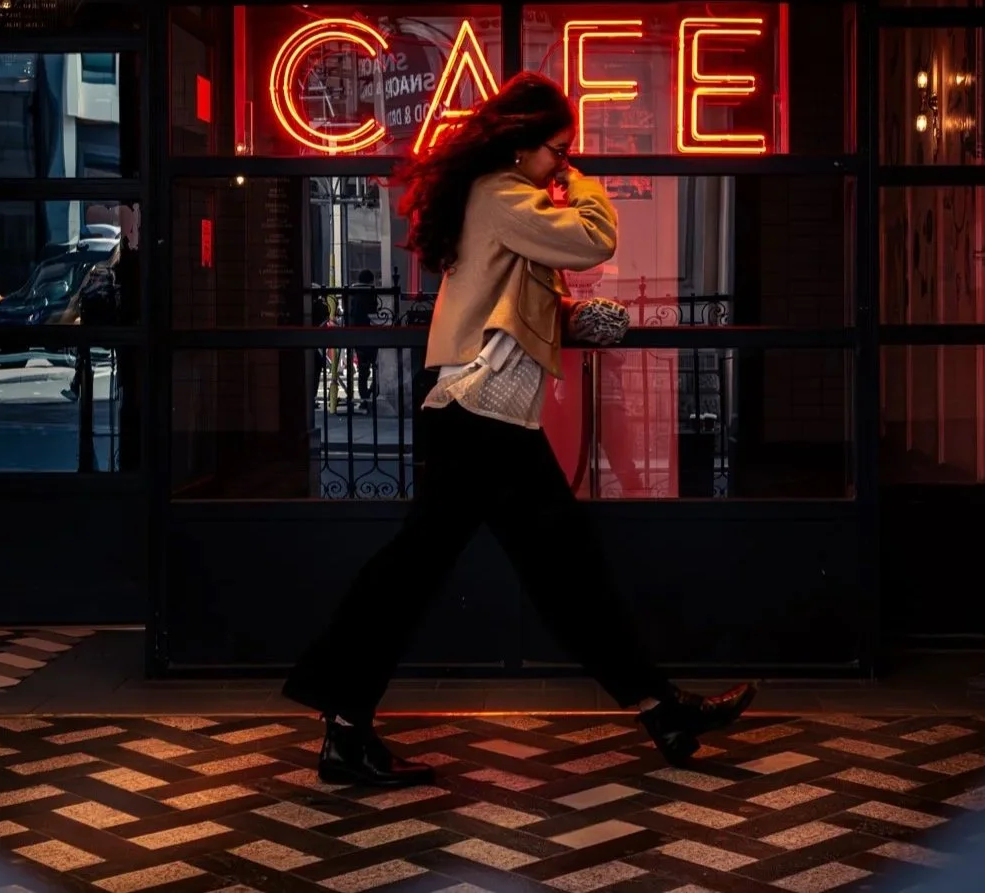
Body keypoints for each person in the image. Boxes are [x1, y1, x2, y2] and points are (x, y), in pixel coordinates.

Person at [283, 72, 754, 786]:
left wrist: (573, 318)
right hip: (480, 418)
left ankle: (660, 710)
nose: (562, 162)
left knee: (497, 572)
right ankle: (661, 709)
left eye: (568, 153)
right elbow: (593, 237)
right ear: (519, 147)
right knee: (520, 574)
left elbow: (516, 304)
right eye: (557, 150)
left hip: (484, 417)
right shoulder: (501, 196)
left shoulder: (500, 201)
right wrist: (587, 180)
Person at [344, 268, 381, 404]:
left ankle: (364, 395)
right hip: (370, 333)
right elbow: (375, 313)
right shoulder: (370, 293)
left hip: (356, 334)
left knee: (363, 367)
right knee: (375, 365)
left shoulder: (352, 293)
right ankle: (371, 392)